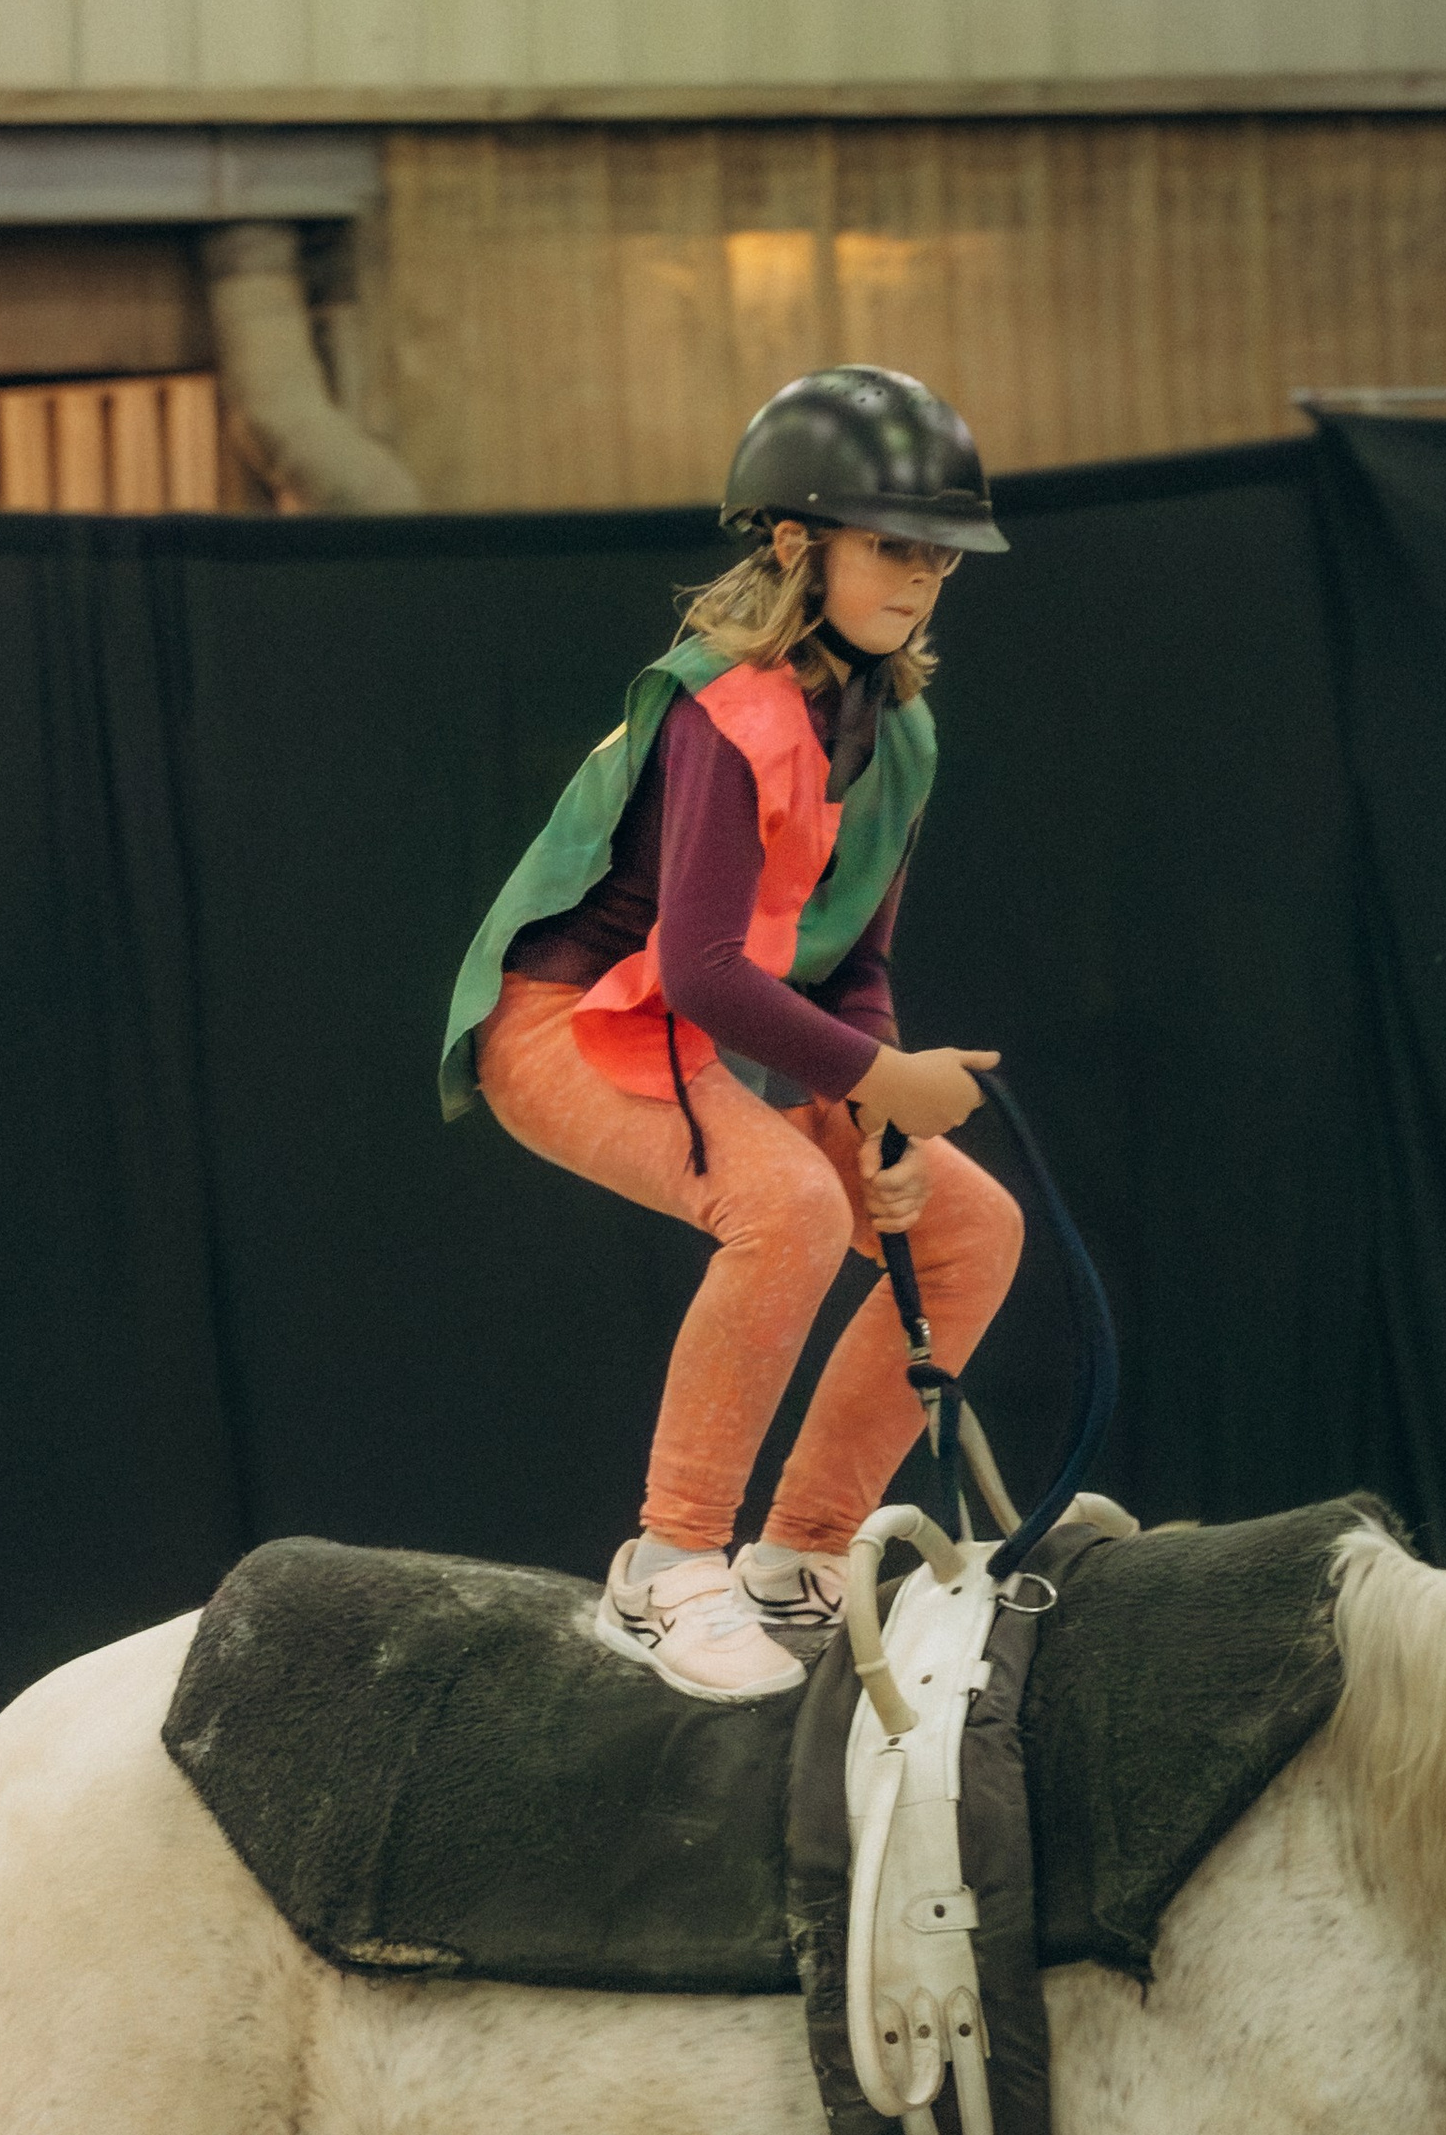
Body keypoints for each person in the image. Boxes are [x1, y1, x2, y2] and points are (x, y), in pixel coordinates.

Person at [438, 365, 1024, 1703]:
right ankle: (668, 1559)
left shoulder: (903, 729)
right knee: (788, 1214)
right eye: (895, 548)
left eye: (940, 556)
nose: (922, 578)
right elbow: (699, 968)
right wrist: (880, 1078)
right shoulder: (725, 711)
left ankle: (802, 1559)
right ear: (794, 542)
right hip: (569, 1028)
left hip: (730, 1033)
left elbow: (858, 960)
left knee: (973, 1227)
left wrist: (880, 1116)